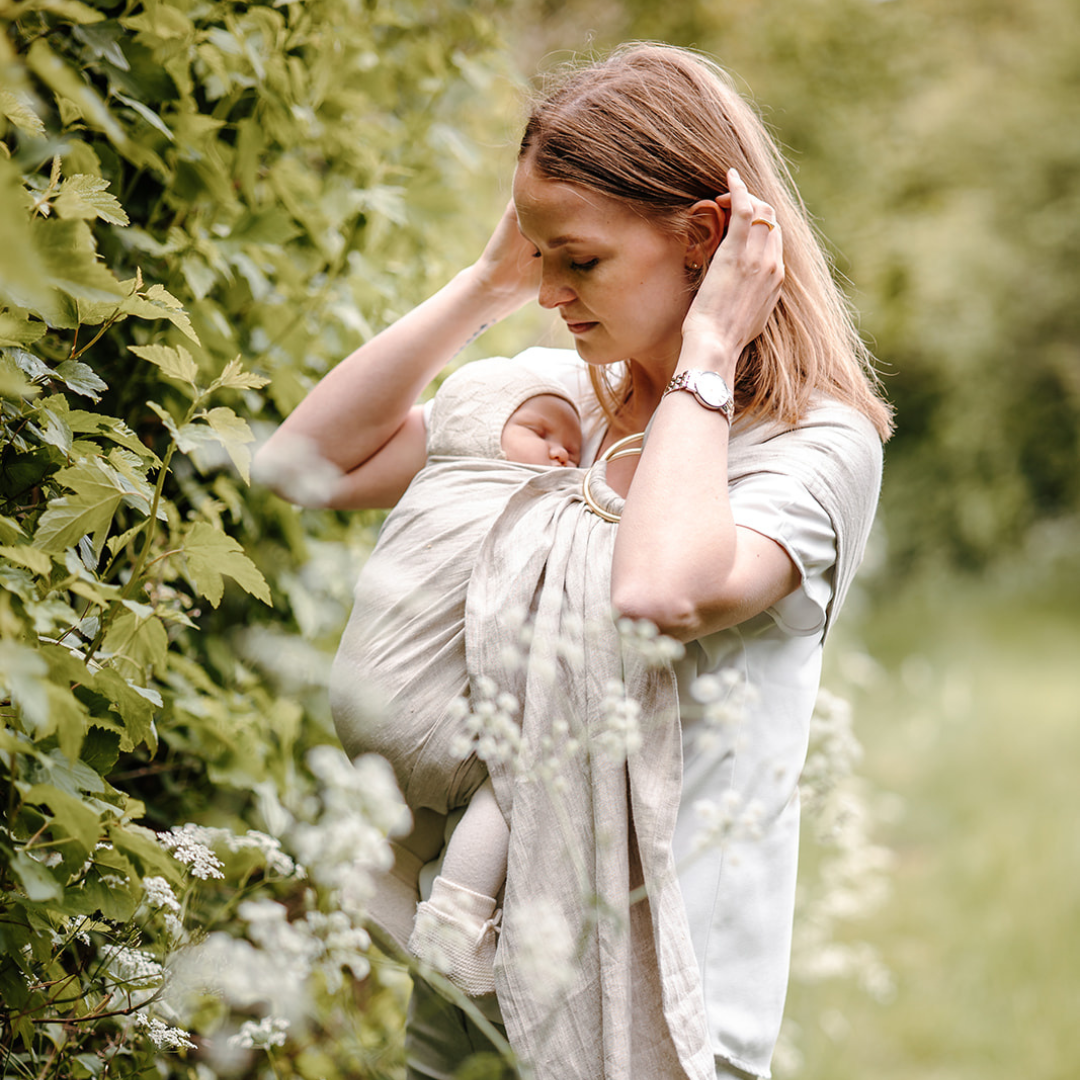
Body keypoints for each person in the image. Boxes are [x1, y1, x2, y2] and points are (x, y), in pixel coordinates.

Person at [255, 42, 892, 1080]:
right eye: (542, 255)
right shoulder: (559, 401)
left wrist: (704, 361)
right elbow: (300, 465)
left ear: (703, 241)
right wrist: (485, 285)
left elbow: (658, 591)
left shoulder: (813, 449)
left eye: (580, 260)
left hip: (657, 1021)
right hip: (470, 978)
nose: (554, 293)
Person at [328, 359, 583, 996]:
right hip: (434, 716)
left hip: (358, 706)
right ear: (477, 425)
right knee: (519, 769)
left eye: (573, 449)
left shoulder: (424, 485)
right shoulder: (486, 488)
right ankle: (458, 916)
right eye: (540, 430)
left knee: (411, 813)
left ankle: (386, 884)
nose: (560, 453)